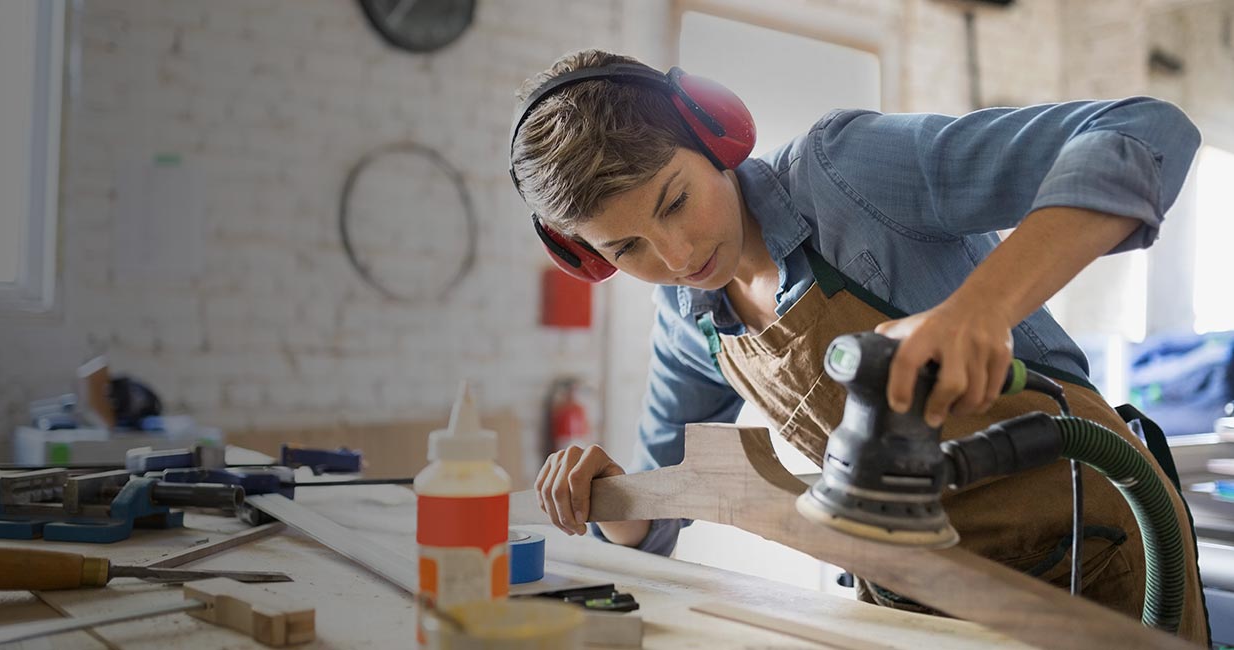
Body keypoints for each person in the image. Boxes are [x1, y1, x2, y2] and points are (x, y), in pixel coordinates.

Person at [509, 49, 1208, 643]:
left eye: (674, 201)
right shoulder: (687, 316)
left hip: (1094, 546)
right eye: (627, 247)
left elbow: (1145, 130)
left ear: (714, 134)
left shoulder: (846, 173)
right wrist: (607, 493)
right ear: (589, 258)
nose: (679, 253)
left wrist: (982, 309)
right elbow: (654, 526)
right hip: (918, 597)